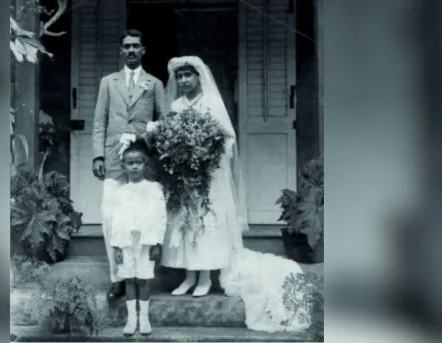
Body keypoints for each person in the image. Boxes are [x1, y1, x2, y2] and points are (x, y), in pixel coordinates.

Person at [149, 56, 310, 332]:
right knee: (185, 222)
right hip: (184, 177)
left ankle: (205, 277)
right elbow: (167, 138)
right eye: (180, 76)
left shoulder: (211, 102)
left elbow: (228, 138)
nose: (184, 80)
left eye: (189, 75)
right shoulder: (174, 106)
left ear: (199, 77)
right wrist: (178, 156)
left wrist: (205, 153)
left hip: (209, 175)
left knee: (206, 222)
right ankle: (188, 275)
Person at [91, 29, 169, 302]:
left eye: (136, 46)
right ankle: (118, 279)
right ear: (121, 51)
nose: (132, 50)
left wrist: (145, 134)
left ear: (143, 50)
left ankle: (142, 275)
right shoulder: (108, 82)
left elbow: (166, 123)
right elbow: (100, 121)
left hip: (142, 161)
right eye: (127, 46)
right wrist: (98, 156)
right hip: (114, 159)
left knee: (142, 218)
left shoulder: (155, 83)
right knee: (111, 217)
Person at [109, 136, 166, 336]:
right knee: (129, 280)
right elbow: (115, 220)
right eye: (130, 163)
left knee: (143, 279)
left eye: (138, 163)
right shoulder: (121, 192)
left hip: (146, 240)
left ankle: (144, 318)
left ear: (145, 164)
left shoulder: (153, 189)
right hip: (126, 241)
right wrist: (116, 247)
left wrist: (157, 242)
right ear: (124, 166)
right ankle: (131, 318)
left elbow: (160, 217)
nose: (134, 167)